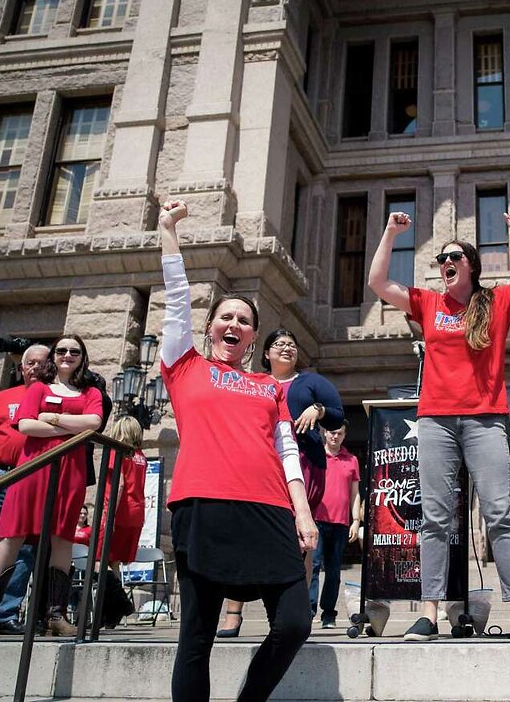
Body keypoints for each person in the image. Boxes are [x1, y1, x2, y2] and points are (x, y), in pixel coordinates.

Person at [368, 208, 510, 642]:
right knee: (434, 518)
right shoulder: (428, 303)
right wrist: (390, 234)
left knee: (499, 512)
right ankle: (429, 615)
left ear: (470, 264)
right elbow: (378, 283)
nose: (444, 264)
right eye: (440, 260)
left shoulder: (497, 302)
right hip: (435, 421)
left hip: (485, 420)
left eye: (452, 257)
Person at [157, 199, 316, 702]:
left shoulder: (270, 387)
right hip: (203, 505)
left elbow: (288, 451)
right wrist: (169, 231)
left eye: (244, 321)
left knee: (294, 623)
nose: (233, 324)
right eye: (225, 316)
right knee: (196, 638)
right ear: (209, 328)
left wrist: (304, 512)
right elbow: (178, 296)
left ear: (251, 338)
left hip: (269, 512)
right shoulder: (184, 367)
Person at [216, 328, 343, 637]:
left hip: (305, 464)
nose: (287, 348)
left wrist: (319, 409)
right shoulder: (254, 383)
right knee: (244, 535)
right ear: (266, 353)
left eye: (291, 344)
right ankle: (233, 614)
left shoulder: (311, 382)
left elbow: (337, 416)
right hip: (259, 466)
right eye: (279, 344)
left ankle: (295, 610)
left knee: (300, 536)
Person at [0, 334, 106, 637]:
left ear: (82, 357)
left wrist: (51, 417)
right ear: (54, 355)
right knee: (12, 535)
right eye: (62, 350)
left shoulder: (90, 390)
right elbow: (27, 424)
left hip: (70, 472)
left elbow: (94, 423)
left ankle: (55, 615)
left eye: (75, 351)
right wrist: (71, 424)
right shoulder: (38, 387)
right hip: (33, 467)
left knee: (62, 538)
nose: (68, 355)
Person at [0, 343, 49, 636]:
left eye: (42, 362)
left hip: (31, 476)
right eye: (31, 363)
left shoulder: (52, 398)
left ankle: (6, 613)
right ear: (21, 368)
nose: (36, 367)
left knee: (24, 549)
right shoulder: (2, 398)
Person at [91, 415, 150, 629]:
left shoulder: (117, 453)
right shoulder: (140, 456)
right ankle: (109, 615)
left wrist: (110, 516)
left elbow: (119, 485)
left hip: (118, 512)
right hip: (135, 514)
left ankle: (120, 603)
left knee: (98, 560)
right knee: (113, 562)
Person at [308, 422, 361, 629]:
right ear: (324, 432)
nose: (335, 436)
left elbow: (355, 493)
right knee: (312, 568)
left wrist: (356, 520)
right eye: (332, 432)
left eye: (339, 433)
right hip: (317, 520)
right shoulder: (315, 456)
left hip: (340, 522)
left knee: (333, 571)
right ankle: (309, 610)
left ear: (344, 435)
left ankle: (328, 614)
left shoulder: (352, 460)